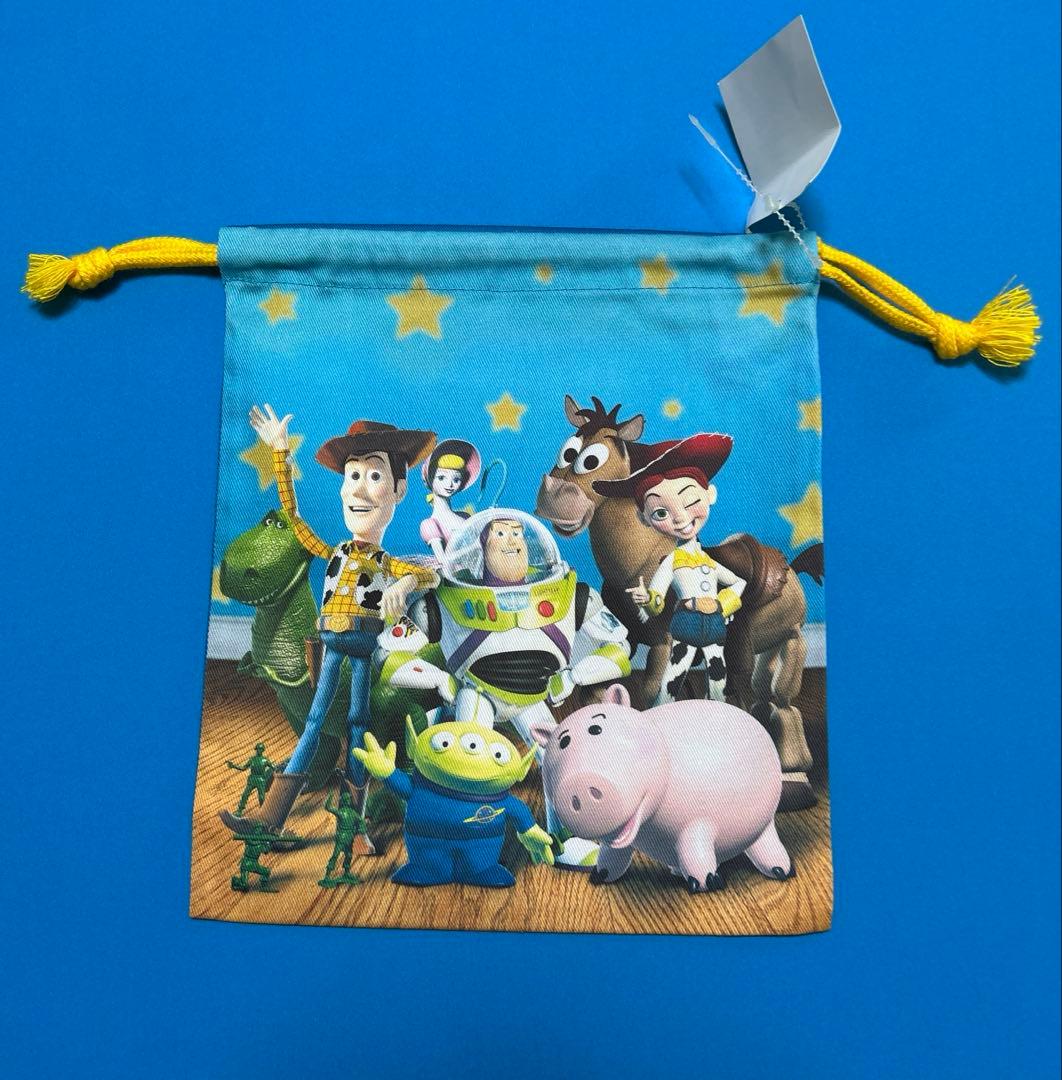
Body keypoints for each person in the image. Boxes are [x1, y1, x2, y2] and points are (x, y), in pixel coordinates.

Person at [220, 404, 438, 843]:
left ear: (398, 490)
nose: (358, 488)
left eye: (373, 475)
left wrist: (405, 582)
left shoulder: (384, 561)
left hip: (362, 651)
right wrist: (280, 453)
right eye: (352, 475)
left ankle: (354, 825)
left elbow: (428, 574)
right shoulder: (335, 551)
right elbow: (293, 518)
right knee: (315, 721)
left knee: (357, 724)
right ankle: (271, 820)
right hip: (329, 645)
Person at [594, 433, 746, 705]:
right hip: (686, 625)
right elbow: (657, 600)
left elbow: (738, 583)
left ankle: (719, 718)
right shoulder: (671, 562)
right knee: (673, 678)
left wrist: (722, 605)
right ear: (644, 518)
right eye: (661, 513)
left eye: (690, 501)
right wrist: (647, 599)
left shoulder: (707, 562)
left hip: (714, 625)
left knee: (718, 680)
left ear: (710, 494)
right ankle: (663, 714)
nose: (681, 517)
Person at [419, 438, 481, 562]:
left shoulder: (465, 516)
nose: (450, 484)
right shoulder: (430, 525)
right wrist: (473, 549)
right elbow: (443, 561)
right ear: (430, 478)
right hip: (454, 573)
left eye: (456, 479)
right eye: (441, 478)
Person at [225, 742, 275, 817]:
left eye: (261, 749)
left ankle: (264, 812)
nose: (259, 750)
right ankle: (239, 810)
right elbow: (243, 768)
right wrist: (234, 766)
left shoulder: (265, 760)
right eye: (258, 749)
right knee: (245, 794)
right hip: (252, 779)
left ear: (263, 750)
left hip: (261, 780)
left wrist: (274, 773)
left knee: (261, 797)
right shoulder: (252, 759)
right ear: (256, 749)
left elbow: (273, 767)